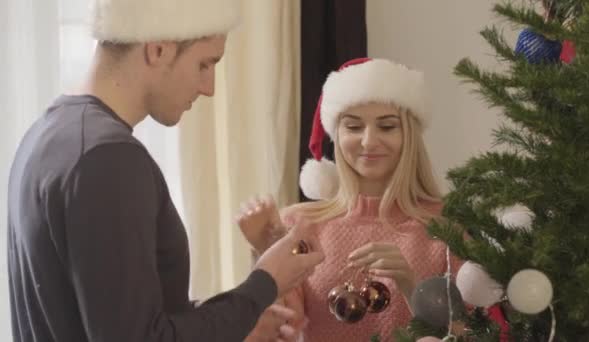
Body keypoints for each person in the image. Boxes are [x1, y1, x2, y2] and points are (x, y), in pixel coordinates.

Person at [6, 0, 323, 341]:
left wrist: (239, 321)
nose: (209, 87)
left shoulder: (48, 135)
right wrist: (266, 282)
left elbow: (119, 317)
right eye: (205, 64)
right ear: (157, 50)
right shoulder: (108, 158)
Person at [237, 58, 464, 341]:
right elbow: (280, 333)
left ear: (409, 135)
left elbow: (473, 333)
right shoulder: (299, 224)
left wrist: (410, 284)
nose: (369, 141)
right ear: (337, 135)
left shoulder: (448, 226)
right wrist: (264, 255)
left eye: (387, 126)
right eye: (354, 127)